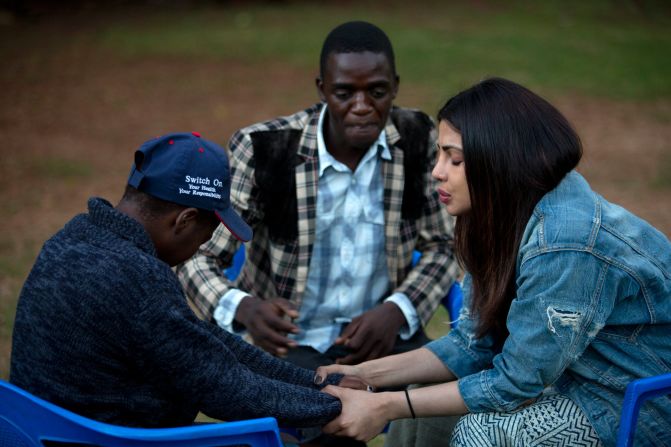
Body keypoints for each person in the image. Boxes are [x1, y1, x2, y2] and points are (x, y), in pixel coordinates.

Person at [314, 78, 671, 446]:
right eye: (439, 155)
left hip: (638, 402)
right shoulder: (499, 214)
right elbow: (472, 345)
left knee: (481, 433)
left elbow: (516, 382)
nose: (437, 171)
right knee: (427, 390)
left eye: (455, 159)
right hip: (570, 378)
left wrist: (385, 406)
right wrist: (362, 373)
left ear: (500, 160)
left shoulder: (567, 243)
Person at [9, 132, 345, 429]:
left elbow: (199, 342)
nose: (200, 248)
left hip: (45, 431)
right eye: (205, 237)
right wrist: (337, 404)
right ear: (185, 220)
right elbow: (224, 388)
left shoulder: (73, 238)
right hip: (115, 440)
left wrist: (317, 382)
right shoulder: (138, 278)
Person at [177, 21, 458, 369]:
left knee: (445, 398)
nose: (361, 106)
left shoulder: (418, 138)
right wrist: (243, 308)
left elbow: (444, 245)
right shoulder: (263, 148)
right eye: (344, 93)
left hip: (383, 337)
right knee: (318, 414)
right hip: (284, 344)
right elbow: (196, 255)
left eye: (377, 91)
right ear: (322, 89)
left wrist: (398, 310)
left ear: (395, 86)